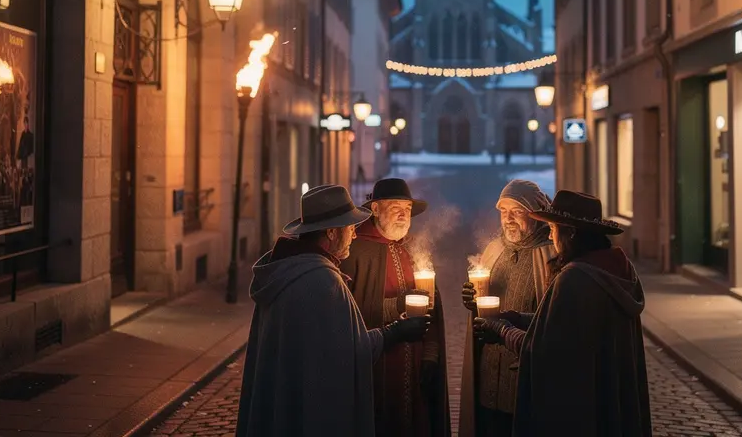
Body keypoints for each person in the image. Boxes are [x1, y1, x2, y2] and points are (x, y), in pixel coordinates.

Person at [235, 184, 431, 437]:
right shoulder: (322, 280)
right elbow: (351, 350)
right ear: (331, 233)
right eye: (350, 228)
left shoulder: (287, 270)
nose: (355, 235)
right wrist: (394, 332)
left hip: (288, 401)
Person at [480, 190, 652, 437]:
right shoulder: (614, 270)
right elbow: (563, 323)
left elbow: (543, 350)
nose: (550, 234)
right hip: (606, 392)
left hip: (580, 405)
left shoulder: (574, 279)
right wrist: (517, 318)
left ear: (570, 233)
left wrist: (502, 330)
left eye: (553, 227)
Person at [341, 178, 451, 437]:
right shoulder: (355, 250)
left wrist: (431, 352)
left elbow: (431, 308)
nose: (404, 215)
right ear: (375, 209)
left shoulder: (412, 248)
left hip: (414, 359)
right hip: (377, 361)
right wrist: (398, 308)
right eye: (395, 208)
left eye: (408, 209)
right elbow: (348, 313)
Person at [458, 179, 553, 437]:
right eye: (503, 212)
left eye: (517, 211)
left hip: (524, 373)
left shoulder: (551, 255)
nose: (508, 219)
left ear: (536, 213)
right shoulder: (494, 250)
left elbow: (552, 321)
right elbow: (482, 301)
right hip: (489, 373)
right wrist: (471, 301)